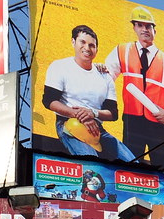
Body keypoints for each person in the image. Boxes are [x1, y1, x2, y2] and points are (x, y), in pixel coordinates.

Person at [105, 6, 164, 168]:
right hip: (132, 120)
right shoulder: (122, 50)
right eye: (140, 25)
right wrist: (108, 105)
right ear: (134, 28)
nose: (144, 29)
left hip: (159, 124)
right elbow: (106, 79)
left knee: (162, 169)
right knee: (130, 165)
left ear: (154, 31)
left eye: (148, 26)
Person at [42, 25, 136, 162]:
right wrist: (79, 115)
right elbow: (49, 100)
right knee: (92, 163)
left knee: (134, 163)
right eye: (83, 42)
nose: (87, 48)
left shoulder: (105, 76)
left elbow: (113, 113)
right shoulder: (59, 66)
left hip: (97, 128)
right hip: (69, 123)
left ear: (96, 49)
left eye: (92, 45)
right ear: (73, 42)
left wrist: (93, 113)